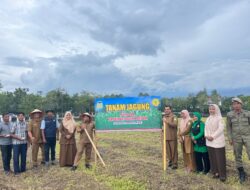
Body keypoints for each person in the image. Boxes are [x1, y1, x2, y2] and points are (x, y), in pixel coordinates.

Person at [227, 97, 250, 183]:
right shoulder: (230, 115)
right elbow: (228, 127)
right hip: (236, 138)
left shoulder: (248, 113)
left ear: (241, 104)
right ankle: (241, 172)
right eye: (234, 104)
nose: (236, 105)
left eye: (237, 103)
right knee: (237, 155)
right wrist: (230, 138)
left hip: (248, 137)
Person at [205, 104, 226, 182]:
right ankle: (215, 173)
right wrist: (206, 135)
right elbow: (205, 128)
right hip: (209, 141)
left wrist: (212, 136)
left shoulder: (220, 118)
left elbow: (220, 129)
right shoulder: (208, 119)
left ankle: (222, 175)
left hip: (218, 141)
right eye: (210, 109)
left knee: (220, 158)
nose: (211, 110)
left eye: (213, 109)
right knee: (212, 158)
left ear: (216, 109)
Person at [162, 105, 178, 169]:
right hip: (166, 137)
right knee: (168, 151)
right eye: (165, 109)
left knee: (173, 151)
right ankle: (170, 162)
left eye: (168, 109)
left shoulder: (174, 117)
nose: (166, 110)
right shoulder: (164, 117)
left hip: (172, 137)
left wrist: (167, 121)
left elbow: (174, 124)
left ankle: (175, 164)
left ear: (170, 110)